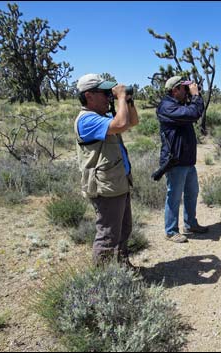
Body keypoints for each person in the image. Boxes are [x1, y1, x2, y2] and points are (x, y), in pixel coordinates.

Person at [74, 73, 139, 266]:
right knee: (108, 235)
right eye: (104, 93)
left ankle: (121, 268)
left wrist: (127, 100)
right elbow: (121, 123)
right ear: (89, 96)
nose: (108, 97)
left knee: (124, 229)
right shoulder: (86, 120)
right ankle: (101, 283)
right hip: (105, 187)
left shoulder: (102, 117)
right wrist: (119, 98)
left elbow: (132, 122)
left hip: (118, 182)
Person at [156, 75, 209, 243]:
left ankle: (190, 224)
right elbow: (194, 113)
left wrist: (194, 97)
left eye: (188, 88)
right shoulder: (167, 107)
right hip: (175, 161)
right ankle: (171, 231)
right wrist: (195, 96)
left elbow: (194, 112)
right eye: (184, 88)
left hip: (186, 160)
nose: (187, 91)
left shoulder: (177, 105)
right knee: (174, 196)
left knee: (192, 193)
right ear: (175, 90)